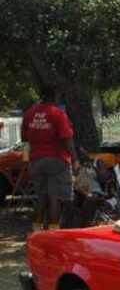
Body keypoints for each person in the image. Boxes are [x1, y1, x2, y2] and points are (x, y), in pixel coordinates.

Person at [21, 85, 79, 230]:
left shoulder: (30, 113)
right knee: (55, 198)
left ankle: (37, 231)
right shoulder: (58, 114)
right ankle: (53, 233)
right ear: (55, 96)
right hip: (57, 161)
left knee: (41, 197)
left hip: (36, 161)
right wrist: (75, 160)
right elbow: (67, 139)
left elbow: (24, 138)